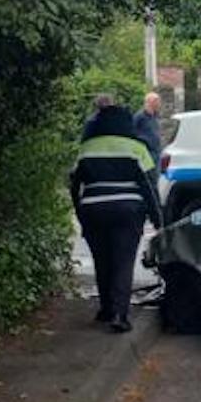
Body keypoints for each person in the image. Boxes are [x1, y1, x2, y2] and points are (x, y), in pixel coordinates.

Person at [70, 104, 163, 333]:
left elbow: (74, 184)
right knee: (123, 262)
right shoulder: (136, 147)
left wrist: (80, 212)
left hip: (93, 210)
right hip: (128, 210)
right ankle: (120, 315)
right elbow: (148, 185)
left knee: (102, 261)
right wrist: (157, 217)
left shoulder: (87, 147)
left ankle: (106, 309)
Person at [133, 92, 163, 176]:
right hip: (147, 152)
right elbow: (132, 132)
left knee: (156, 175)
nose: (159, 103)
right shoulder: (139, 116)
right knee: (149, 176)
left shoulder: (154, 116)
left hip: (156, 151)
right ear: (151, 102)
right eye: (157, 101)